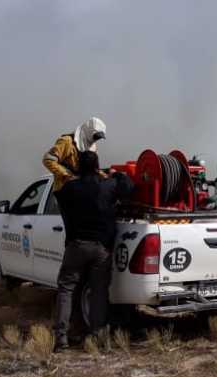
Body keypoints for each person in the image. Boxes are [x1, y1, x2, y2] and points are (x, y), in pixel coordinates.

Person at [52, 150, 133, 350]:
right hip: (101, 249)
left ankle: (61, 339)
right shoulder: (108, 185)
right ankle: (96, 336)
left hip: (76, 246)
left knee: (66, 289)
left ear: (79, 167)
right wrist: (116, 174)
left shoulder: (71, 188)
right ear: (97, 167)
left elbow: (59, 196)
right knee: (98, 292)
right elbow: (129, 188)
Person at [43, 117, 106, 193]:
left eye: (98, 137)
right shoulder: (67, 141)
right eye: (96, 136)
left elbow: (93, 168)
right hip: (65, 189)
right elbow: (48, 159)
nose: (96, 139)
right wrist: (67, 175)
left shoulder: (92, 147)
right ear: (89, 131)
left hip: (82, 188)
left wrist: (105, 176)